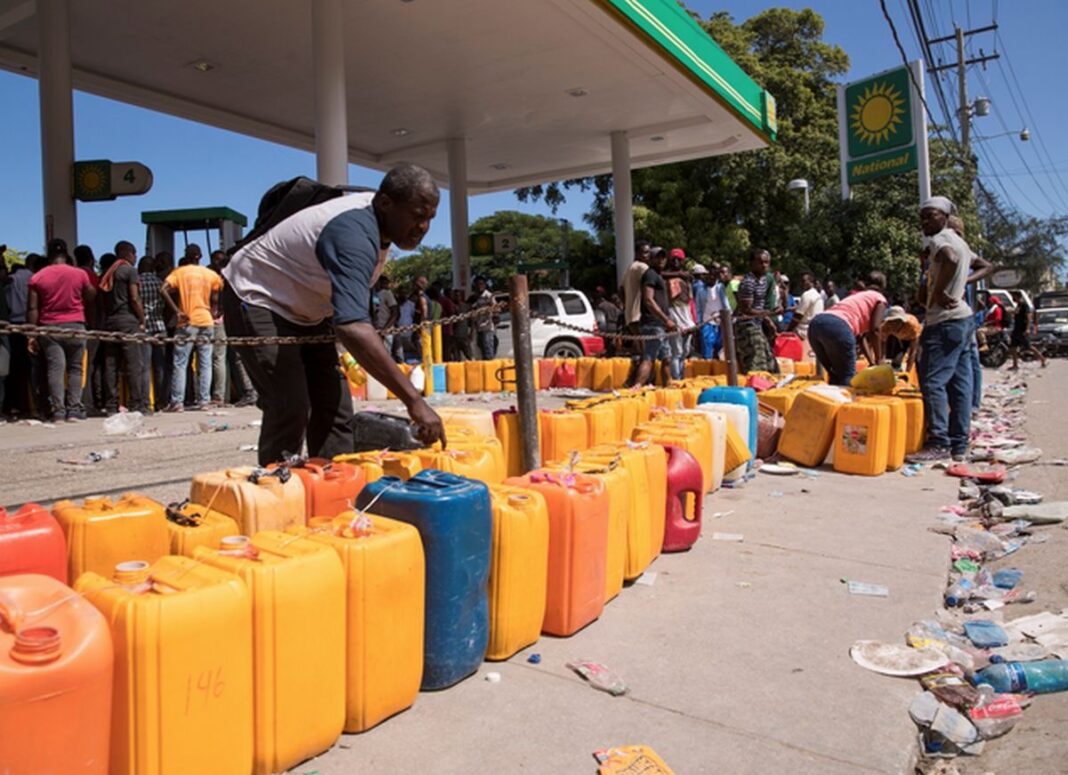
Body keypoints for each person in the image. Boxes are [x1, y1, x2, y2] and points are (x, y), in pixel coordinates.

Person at [222, 163, 445, 465]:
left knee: (334, 407)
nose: (423, 228)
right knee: (290, 404)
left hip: (308, 310)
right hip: (258, 296)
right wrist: (414, 401)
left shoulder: (377, 224)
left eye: (430, 218)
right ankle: (278, 491)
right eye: (418, 217)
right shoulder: (353, 234)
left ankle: (333, 487)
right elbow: (352, 326)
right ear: (385, 204)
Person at [910, 196, 989, 463]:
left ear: (944, 216)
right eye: (922, 216)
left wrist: (944, 289)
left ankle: (939, 442)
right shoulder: (962, 243)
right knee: (960, 384)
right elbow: (985, 266)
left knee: (932, 381)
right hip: (963, 320)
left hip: (944, 321)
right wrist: (956, 282)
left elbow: (950, 258)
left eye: (930, 215)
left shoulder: (940, 240)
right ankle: (958, 443)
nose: (925, 221)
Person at [26, 238, 95, 422]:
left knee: (55, 369)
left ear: (48, 255)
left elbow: (33, 308)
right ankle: (74, 410)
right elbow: (90, 295)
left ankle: (58, 412)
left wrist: (31, 335)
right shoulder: (79, 274)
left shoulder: (38, 277)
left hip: (49, 327)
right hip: (76, 324)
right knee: (75, 369)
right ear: (66, 254)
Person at [161, 252, 222, 411]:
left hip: (186, 321)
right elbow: (218, 293)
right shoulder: (210, 274)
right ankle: (204, 401)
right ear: (200, 257)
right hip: (206, 320)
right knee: (205, 363)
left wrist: (177, 311)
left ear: (185, 257)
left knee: (180, 363)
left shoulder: (179, 272)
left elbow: (163, 289)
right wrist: (215, 310)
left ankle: (177, 403)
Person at [806, 284, 888, 387]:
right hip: (838, 326)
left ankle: (829, 402)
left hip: (816, 325)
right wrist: (879, 360)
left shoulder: (857, 299)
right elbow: (875, 329)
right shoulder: (880, 299)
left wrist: (871, 362)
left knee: (835, 376)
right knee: (847, 379)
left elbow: (861, 337)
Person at [100, 240, 146, 414]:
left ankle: (111, 404)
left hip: (111, 321)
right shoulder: (130, 271)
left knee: (111, 364)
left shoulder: (107, 274)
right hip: (128, 320)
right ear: (128, 254)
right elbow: (134, 298)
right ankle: (136, 403)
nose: (135, 258)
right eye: (134, 254)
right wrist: (142, 319)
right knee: (134, 364)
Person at [632, 247, 676, 386]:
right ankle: (636, 388)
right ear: (651, 259)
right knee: (649, 358)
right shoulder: (650, 274)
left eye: (663, 257)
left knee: (667, 358)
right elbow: (648, 300)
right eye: (658, 257)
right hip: (653, 324)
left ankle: (667, 387)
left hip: (660, 325)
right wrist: (666, 319)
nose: (661, 260)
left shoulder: (658, 275)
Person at [733, 249, 779, 374]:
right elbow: (746, 309)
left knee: (769, 361)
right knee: (757, 363)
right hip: (746, 325)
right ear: (752, 263)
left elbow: (759, 306)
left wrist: (768, 320)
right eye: (760, 262)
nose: (764, 265)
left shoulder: (764, 280)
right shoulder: (749, 282)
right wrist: (768, 314)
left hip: (757, 323)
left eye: (767, 262)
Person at [137, 254, 167, 410]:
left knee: (145, 367)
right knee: (160, 366)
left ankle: (146, 402)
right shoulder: (159, 282)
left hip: (144, 327)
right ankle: (161, 401)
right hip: (160, 326)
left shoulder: (137, 283)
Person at [1008, 290, 1046, 370]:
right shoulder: (1018, 305)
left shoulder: (1024, 305)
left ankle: (1042, 358)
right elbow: (1016, 313)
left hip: (1022, 329)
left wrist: (1028, 328)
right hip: (1016, 329)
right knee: (1012, 347)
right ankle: (1015, 365)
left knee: (1029, 346)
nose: (1012, 298)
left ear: (1018, 296)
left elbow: (1029, 317)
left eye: (1013, 296)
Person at [878, 305, 923, 373]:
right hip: (900, 338)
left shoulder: (912, 326)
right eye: (891, 322)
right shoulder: (885, 327)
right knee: (896, 361)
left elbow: (913, 351)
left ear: (902, 321)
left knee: (918, 360)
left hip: (913, 337)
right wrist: (881, 364)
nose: (894, 325)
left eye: (897, 322)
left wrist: (908, 371)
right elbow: (882, 348)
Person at [789, 270, 824, 341]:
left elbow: (798, 317)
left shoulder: (806, 295)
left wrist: (787, 331)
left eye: (803, 281)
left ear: (811, 281)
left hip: (802, 332)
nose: (801, 284)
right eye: (800, 281)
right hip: (815, 332)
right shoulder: (818, 296)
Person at [470, 277, 497, 360]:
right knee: (480, 346)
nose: (479, 286)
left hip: (487, 326)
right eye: (477, 284)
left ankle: (489, 363)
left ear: (485, 285)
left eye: (481, 284)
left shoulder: (488, 296)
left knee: (487, 346)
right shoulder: (475, 297)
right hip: (479, 326)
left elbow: (496, 308)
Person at [372, 275, 399, 356]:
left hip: (386, 329)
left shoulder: (387, 294)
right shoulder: (374, 295)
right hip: (376, 329)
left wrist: (385, 329)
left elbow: (395, 313)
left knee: (386, 354)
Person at [451, 288, 473, 361]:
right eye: (455, 295)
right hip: (454, 336)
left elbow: (471, 320)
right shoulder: (451, 306)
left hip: (464, 335)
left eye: (459, 295)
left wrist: (472, 332)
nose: (457, 297)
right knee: (456, 358)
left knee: (469, 355)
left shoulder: (466, 306)